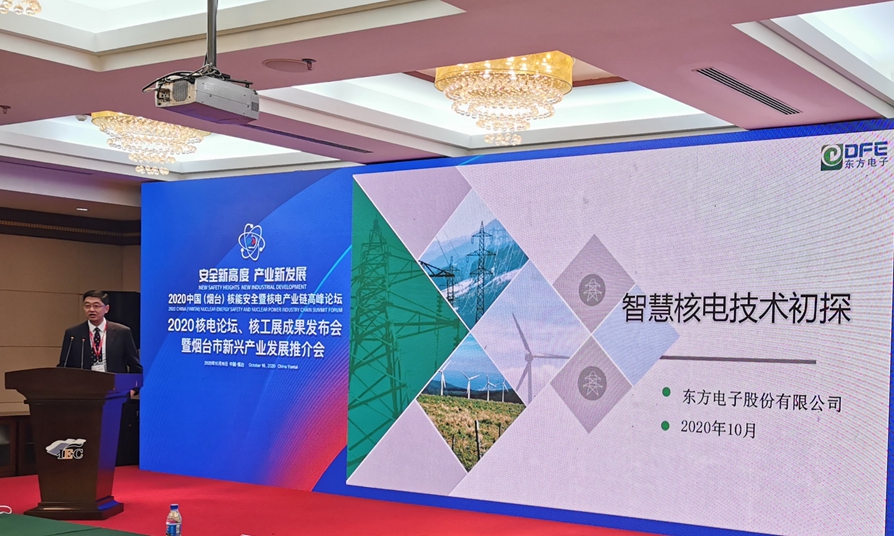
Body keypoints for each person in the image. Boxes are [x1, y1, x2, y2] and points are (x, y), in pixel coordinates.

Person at [58, 290, 142, 374]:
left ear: (106, 309)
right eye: (87, 306)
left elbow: (134, 365)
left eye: (96, 306)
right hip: (84, 381)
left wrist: (132, 383)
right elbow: (64, 365)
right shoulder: (73, 334)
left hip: (113, 381)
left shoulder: (122, 332)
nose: (91, 310)